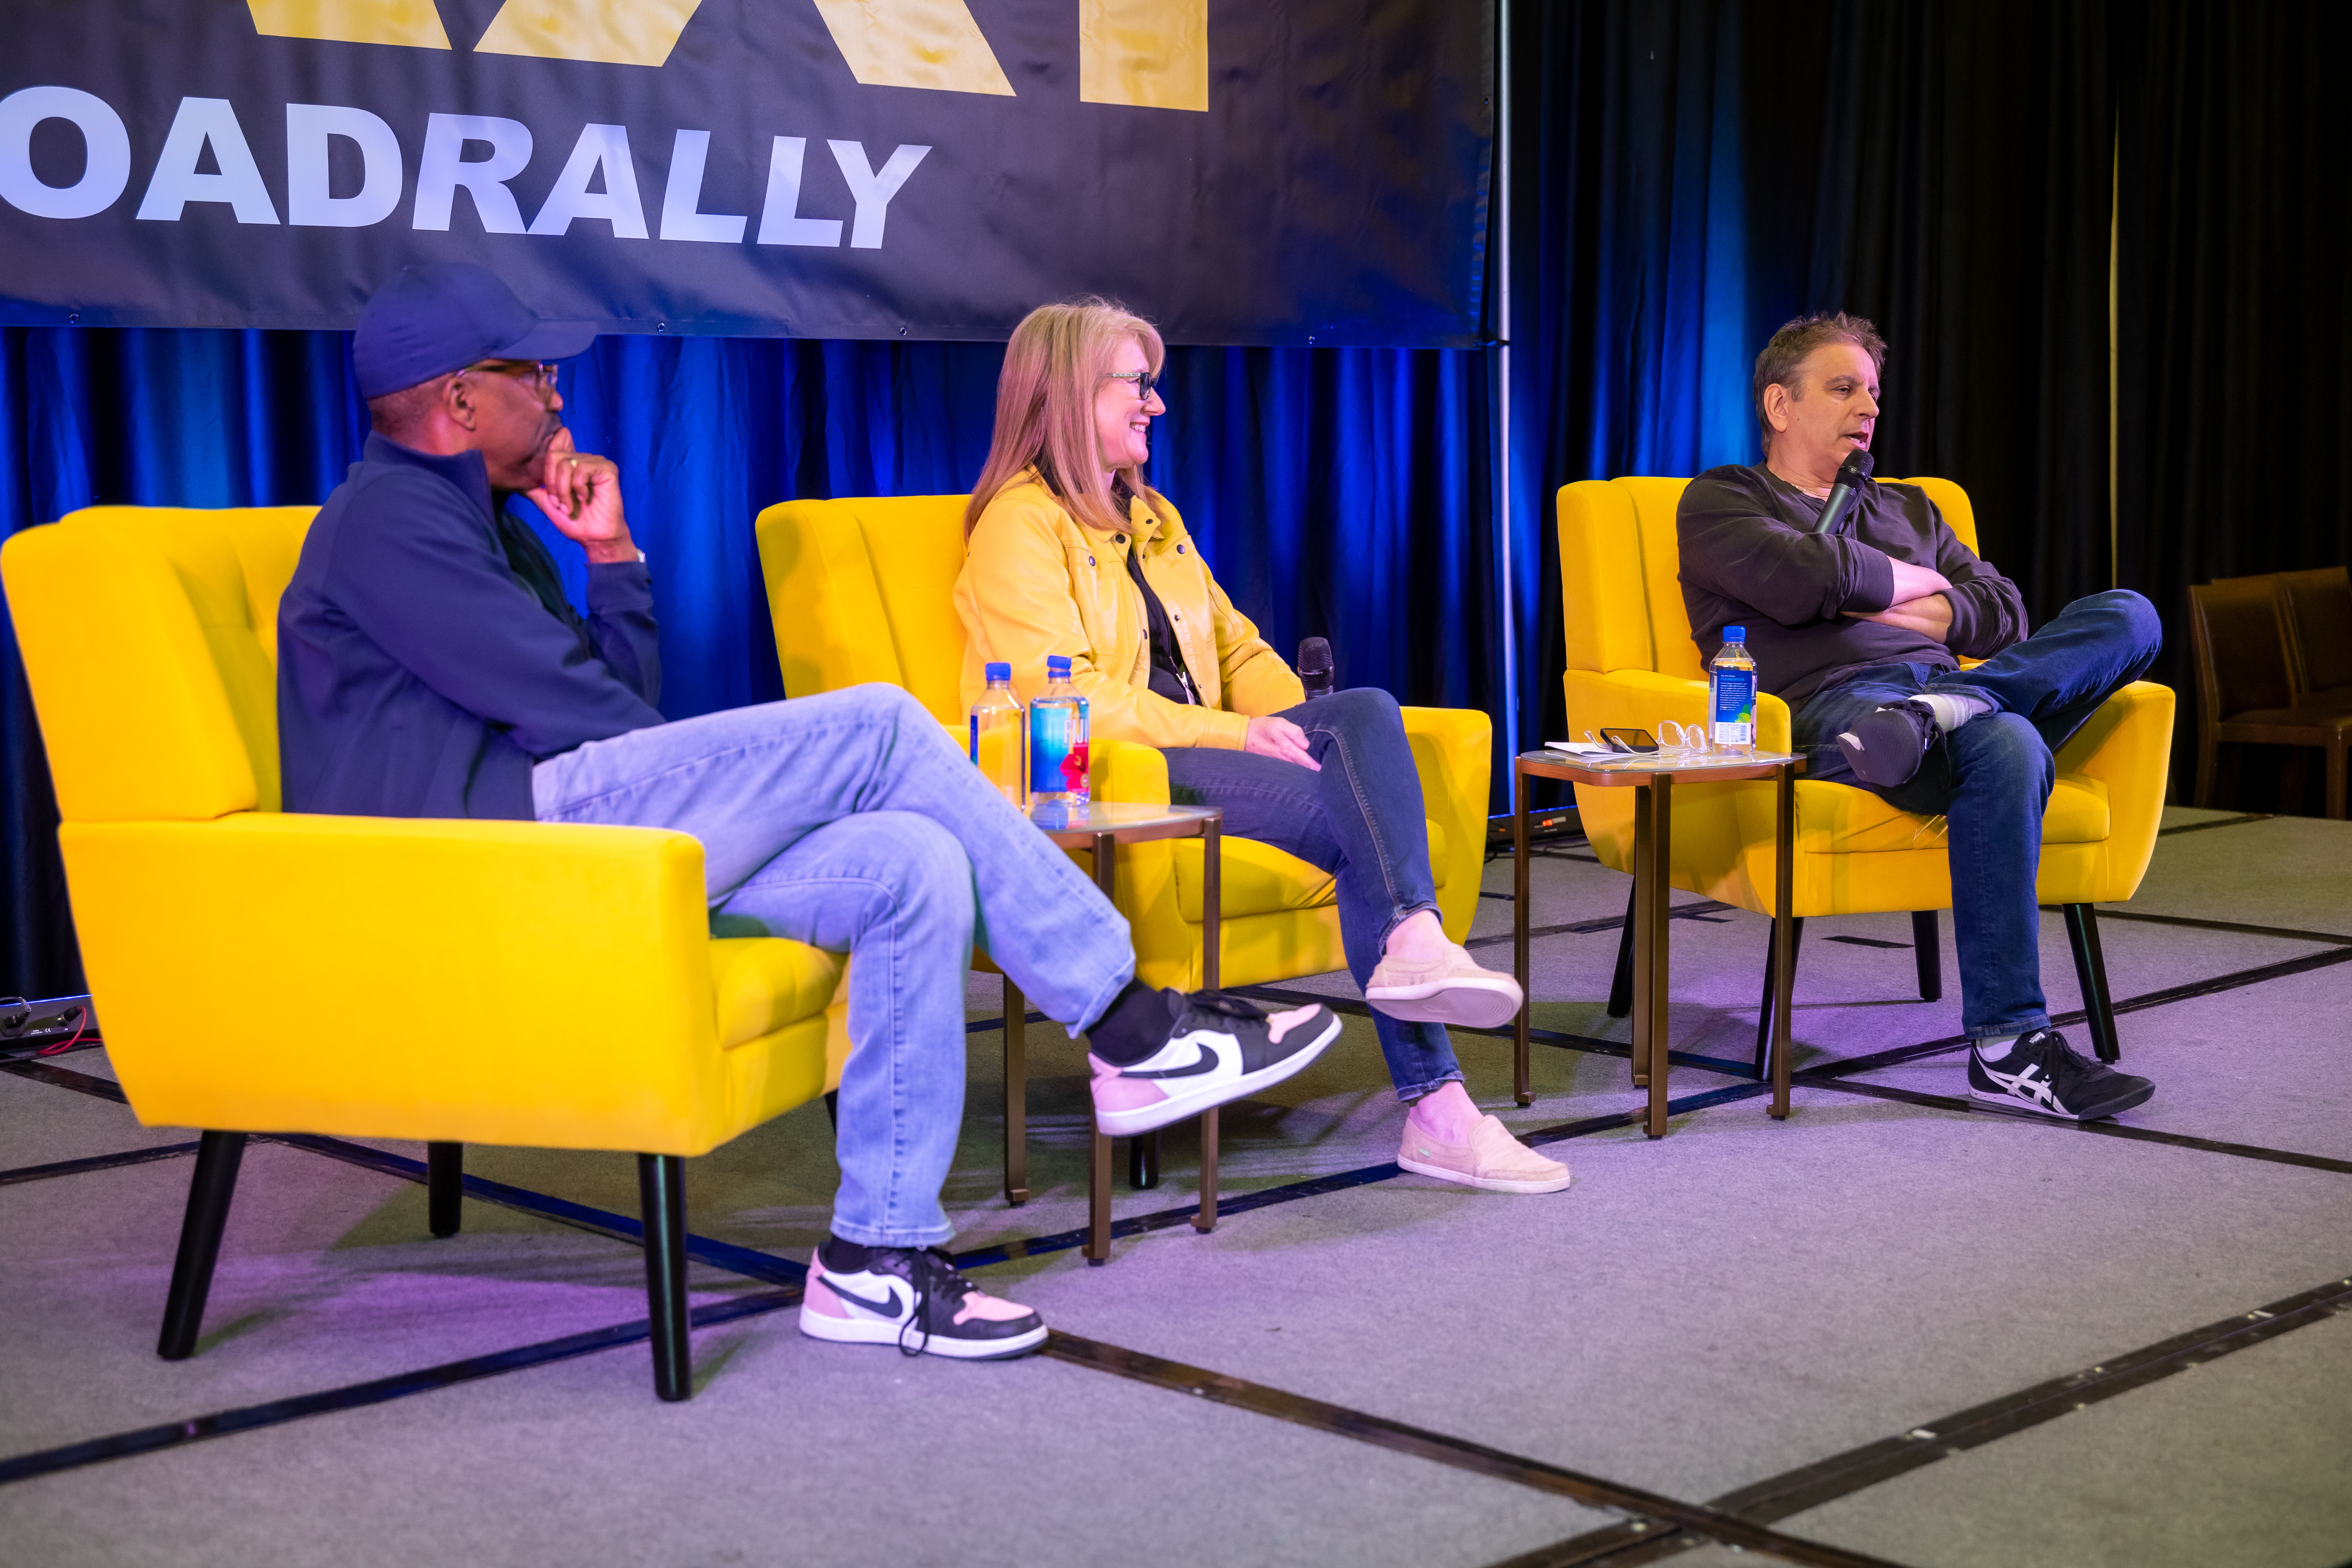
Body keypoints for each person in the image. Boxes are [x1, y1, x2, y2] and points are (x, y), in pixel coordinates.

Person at [276, 263, 1339, 1362]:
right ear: (458, 401)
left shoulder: (486, 525)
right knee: (878, 725)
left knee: (912, 859)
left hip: (563, 827)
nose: (557, 400)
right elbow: (581, 717)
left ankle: (875, 1260)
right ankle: (1126, 1023)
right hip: (476, 854)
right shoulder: (388, 522)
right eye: (537, 376)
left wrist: (611, 560)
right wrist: (736, 766)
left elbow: (612, 703)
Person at [952, 299, 1570, 1195]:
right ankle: (1440, 1108)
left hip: (1209, 750)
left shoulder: (1151, 518)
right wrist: (1242, 734)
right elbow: (1073, 699)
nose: (1156, 405)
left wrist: (1304, 730)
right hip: (1121, 773)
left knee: (1361, 711)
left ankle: (1416, 940)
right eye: (1139, 385)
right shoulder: (1019, 523)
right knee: (1353, 813)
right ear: (1068, 394)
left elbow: (1237, 648)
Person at [1677, 312, 2162, 1121]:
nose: (1868, 406)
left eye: (1872, 390)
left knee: (2133, 616)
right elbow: (1802, 578)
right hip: (1839, 711)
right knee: (2005, 739)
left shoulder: (1913, 506)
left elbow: (2003, 613)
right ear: (1779, 404)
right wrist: (1925, 592)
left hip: (1939, 705)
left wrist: (1863, 589)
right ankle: (2011, 1044)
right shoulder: (1724, 497)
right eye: (1843, 388)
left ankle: (1957, 702)